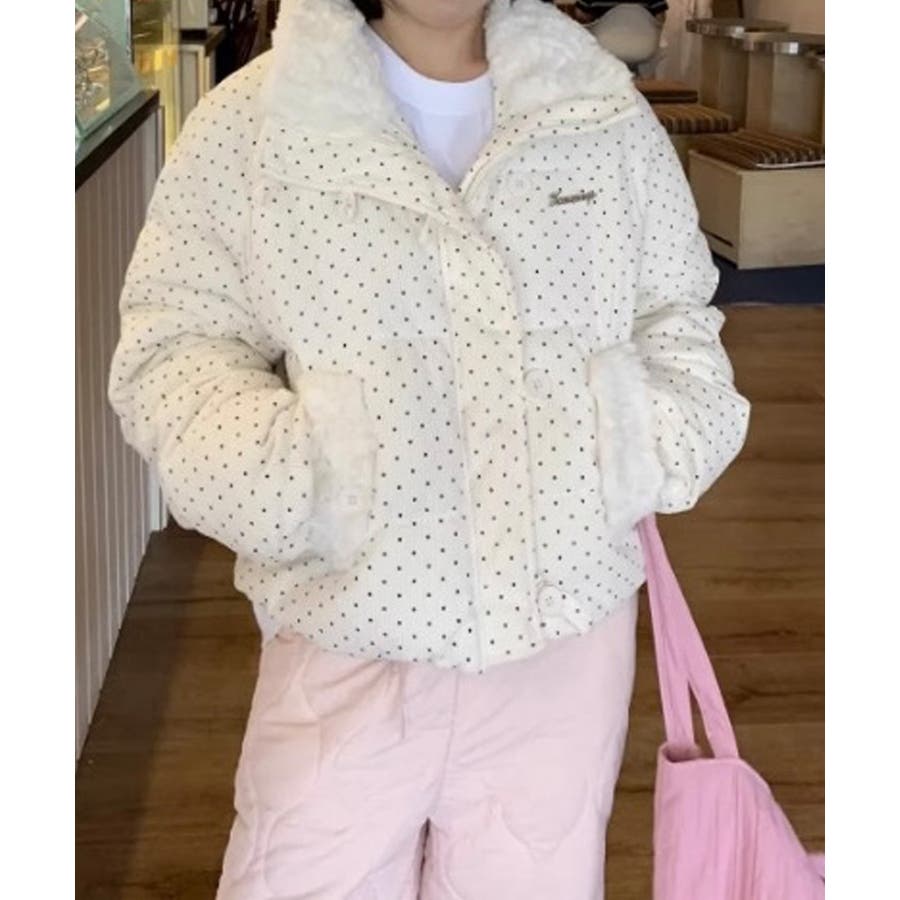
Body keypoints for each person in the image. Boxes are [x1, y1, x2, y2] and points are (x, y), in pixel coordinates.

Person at [108, 0, 750, 896]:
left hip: (562, 639)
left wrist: (636, 451)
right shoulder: (258, 121)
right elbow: (176, 345)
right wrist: (301, 482)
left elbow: (677, 316)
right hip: (345, 631)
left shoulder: (598, 111)